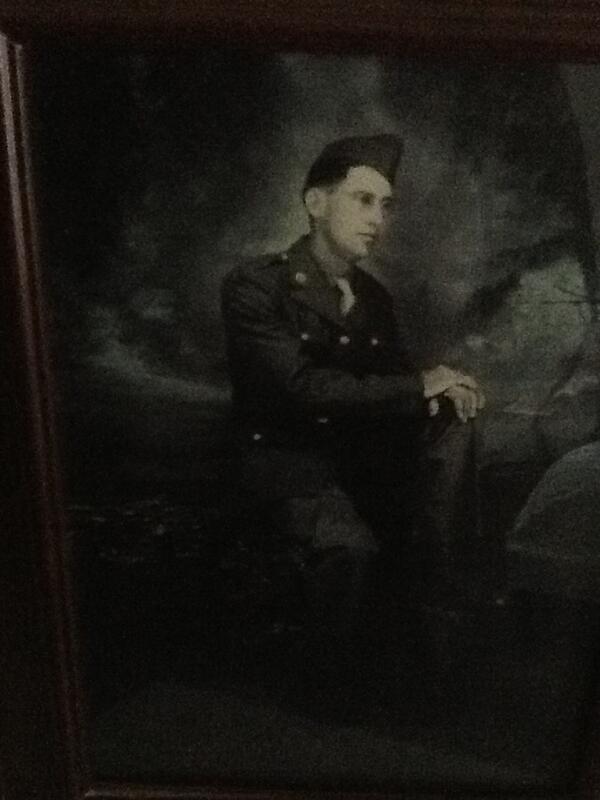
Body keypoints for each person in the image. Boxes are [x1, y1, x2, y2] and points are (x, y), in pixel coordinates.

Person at [221, 134, 485, 717]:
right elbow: (302, 389)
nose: (378, 220)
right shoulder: (255, 286)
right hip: (287, 465)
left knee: (455, 423)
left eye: (385, 206)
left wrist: (444, 391)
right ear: (316, 203)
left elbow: (392, 385)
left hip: (358, 464)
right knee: (353, 553)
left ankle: (436, 646)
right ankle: (332, 705)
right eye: (363, 201)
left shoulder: (373, 297)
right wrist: (420, 385)